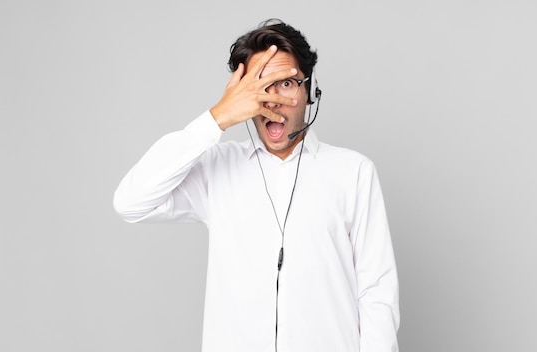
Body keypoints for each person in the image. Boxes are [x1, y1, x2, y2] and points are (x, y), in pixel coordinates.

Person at [113, 19, 399, 352]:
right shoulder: (216, 169)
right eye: (260, 85)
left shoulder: (354, 172)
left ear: (310, 90)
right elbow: (131, 201)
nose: (273, 100)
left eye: (287, 83)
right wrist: (217, 117)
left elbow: (377, 293)